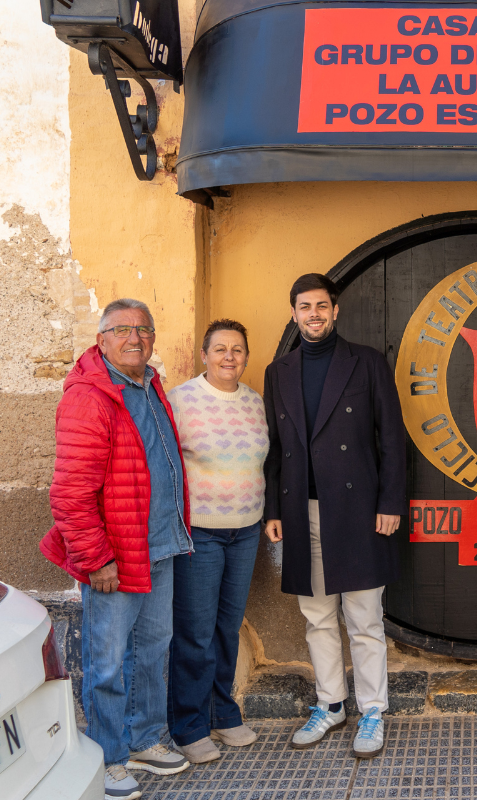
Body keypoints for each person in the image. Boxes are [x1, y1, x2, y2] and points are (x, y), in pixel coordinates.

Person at [40, 298, 192, 800]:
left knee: (152, 650)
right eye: (122, 329)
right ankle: (107, 756)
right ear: (101, 338)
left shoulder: (149, 386)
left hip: (159, 546)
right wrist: (96, 558)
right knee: (106, 662)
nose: (135, 338)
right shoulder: (90, 397)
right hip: (115, 554)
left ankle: (146, 737)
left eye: (144, 329)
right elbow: (70, 493)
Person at [263, 273, 407, 758]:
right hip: (302, 512)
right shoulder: (278, 371)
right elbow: (276, 448)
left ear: (335, 310)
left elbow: (392, 438)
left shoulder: (366, 362)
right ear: (294, 313)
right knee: (318, 617)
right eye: (305, 306)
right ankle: (330, 704)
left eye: (322, 306)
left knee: (365, 618)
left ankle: (372, 711)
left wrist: (390, 504)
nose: (314, 314)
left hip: (359, 510)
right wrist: (273, 509)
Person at [166, 319, 269, 763]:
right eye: (221, 349)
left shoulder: (255, 402)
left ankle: (223, 713)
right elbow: (166, 467)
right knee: (195, 632)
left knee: (227, 628)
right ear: (204, 355)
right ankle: (189, 725)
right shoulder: (181, 401)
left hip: (246, 530)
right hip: (200, 534)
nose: (230, 357)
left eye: (238, 350)